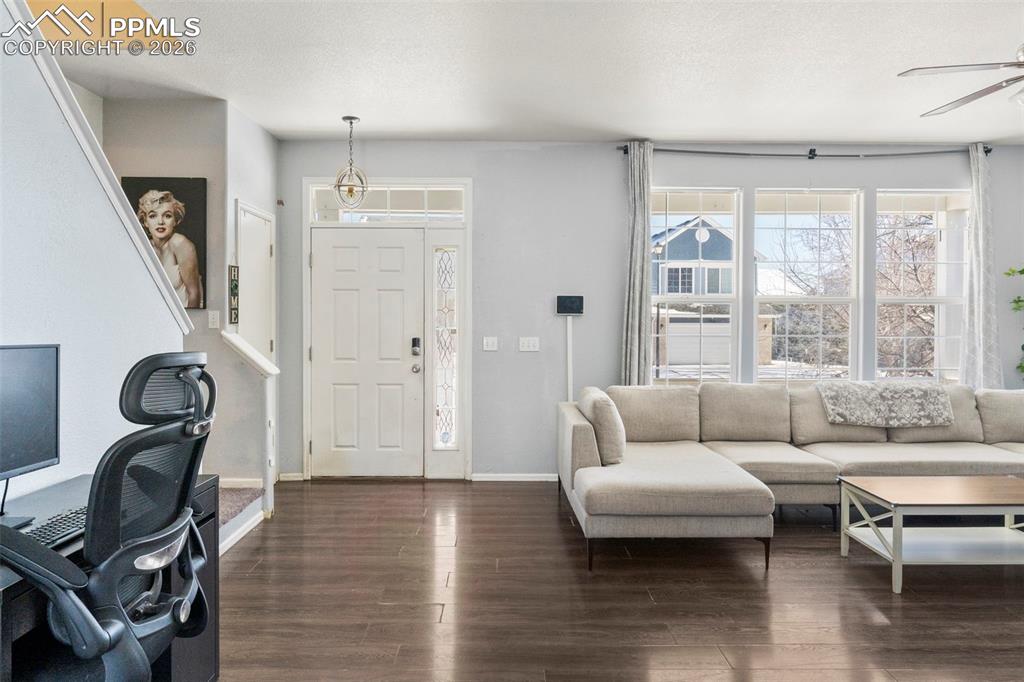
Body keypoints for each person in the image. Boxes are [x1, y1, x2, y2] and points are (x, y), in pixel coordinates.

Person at [137, 190, 204, 308]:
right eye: (153, 216)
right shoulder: (143, 247)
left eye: (167, 216)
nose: (160, 222)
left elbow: (194, 295)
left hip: (185, 315)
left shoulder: (180, 244)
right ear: (145, 222)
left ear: (175, 221)